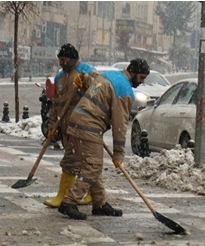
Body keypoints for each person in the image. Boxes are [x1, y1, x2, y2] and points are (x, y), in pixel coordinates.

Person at [57, 58, 150, 220]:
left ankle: (99, 203)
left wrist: (85, 80)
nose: (141, 82)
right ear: (133, 73)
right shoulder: (124, 90)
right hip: (89, 125)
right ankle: (69, 202)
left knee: (92, 165)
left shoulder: (110, 75)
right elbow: (120, 125)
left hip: (78, 120)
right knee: (92, 167)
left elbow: (94, 86)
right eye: (141, 78)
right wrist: (118, 154)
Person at [43, 43, 95, 208]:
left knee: (71, 160)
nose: (62, 63)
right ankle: (88, 193)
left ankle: (64, 194)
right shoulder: (60, 77)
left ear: (73, 59)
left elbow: (99, 90)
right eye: (60, 60)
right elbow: (56, 103)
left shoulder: (85, 71)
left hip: (81, 124)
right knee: (78, 161)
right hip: (65, 124)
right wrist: (52, 125)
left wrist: (86, 83)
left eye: (64, 59)